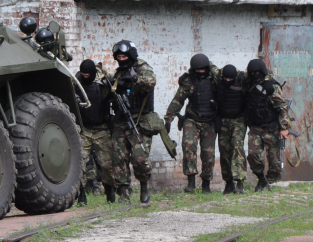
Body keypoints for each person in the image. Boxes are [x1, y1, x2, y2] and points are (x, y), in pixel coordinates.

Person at [107, 39, 157, 204]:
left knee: (140, 159)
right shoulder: (117, 74)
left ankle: (144, 186)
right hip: (121, 121)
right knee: (118, 158)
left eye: (124, 56)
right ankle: (123, 193)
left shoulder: (142, 68)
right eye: (119, 57)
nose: (122, 59)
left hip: (140, 121)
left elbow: (150, 82)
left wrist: (134, 80)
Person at [165, 53, 219, 194]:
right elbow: (178, 100)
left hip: (209, 121)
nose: (200, 72)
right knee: (188, 147)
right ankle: (191, 183)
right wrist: (168, 119)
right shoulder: (189, 81)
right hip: (192, 120)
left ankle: (206, 184)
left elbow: (224, 77)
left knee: (208, 154)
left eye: (203, 69)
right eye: (197, 70)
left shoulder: (214, 80)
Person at [244, 58, 291, 192]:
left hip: (272, 128)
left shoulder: (272, 86)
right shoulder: (248, 84)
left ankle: (273, 185)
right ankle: (262, 180)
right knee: (252, 155)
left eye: (258, 72)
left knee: (274, 162)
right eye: (253, 73)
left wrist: (284, 128)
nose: (255, 75)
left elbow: (282, 107)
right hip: (255, 128)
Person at [76, 59, 114, 205]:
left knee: (107, 164)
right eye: (83, 74)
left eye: (88, 74)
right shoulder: (76, 83)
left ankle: (110, 192)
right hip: (84, 130)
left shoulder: (102, 83)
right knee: (80, 163)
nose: (85, 76)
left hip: (102, 129)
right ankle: (81, 195)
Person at [216, 64, 247, 194]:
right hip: (223, 120)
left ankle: (239, 182)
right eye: (226, 79)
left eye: (230, 79)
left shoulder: (242, 79)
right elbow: (206, 65)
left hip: (238, 120)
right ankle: (229, 183)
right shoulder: (218, 76)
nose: (228, 81)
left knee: (237, 147)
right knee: (224, 151)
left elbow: (263, 73)